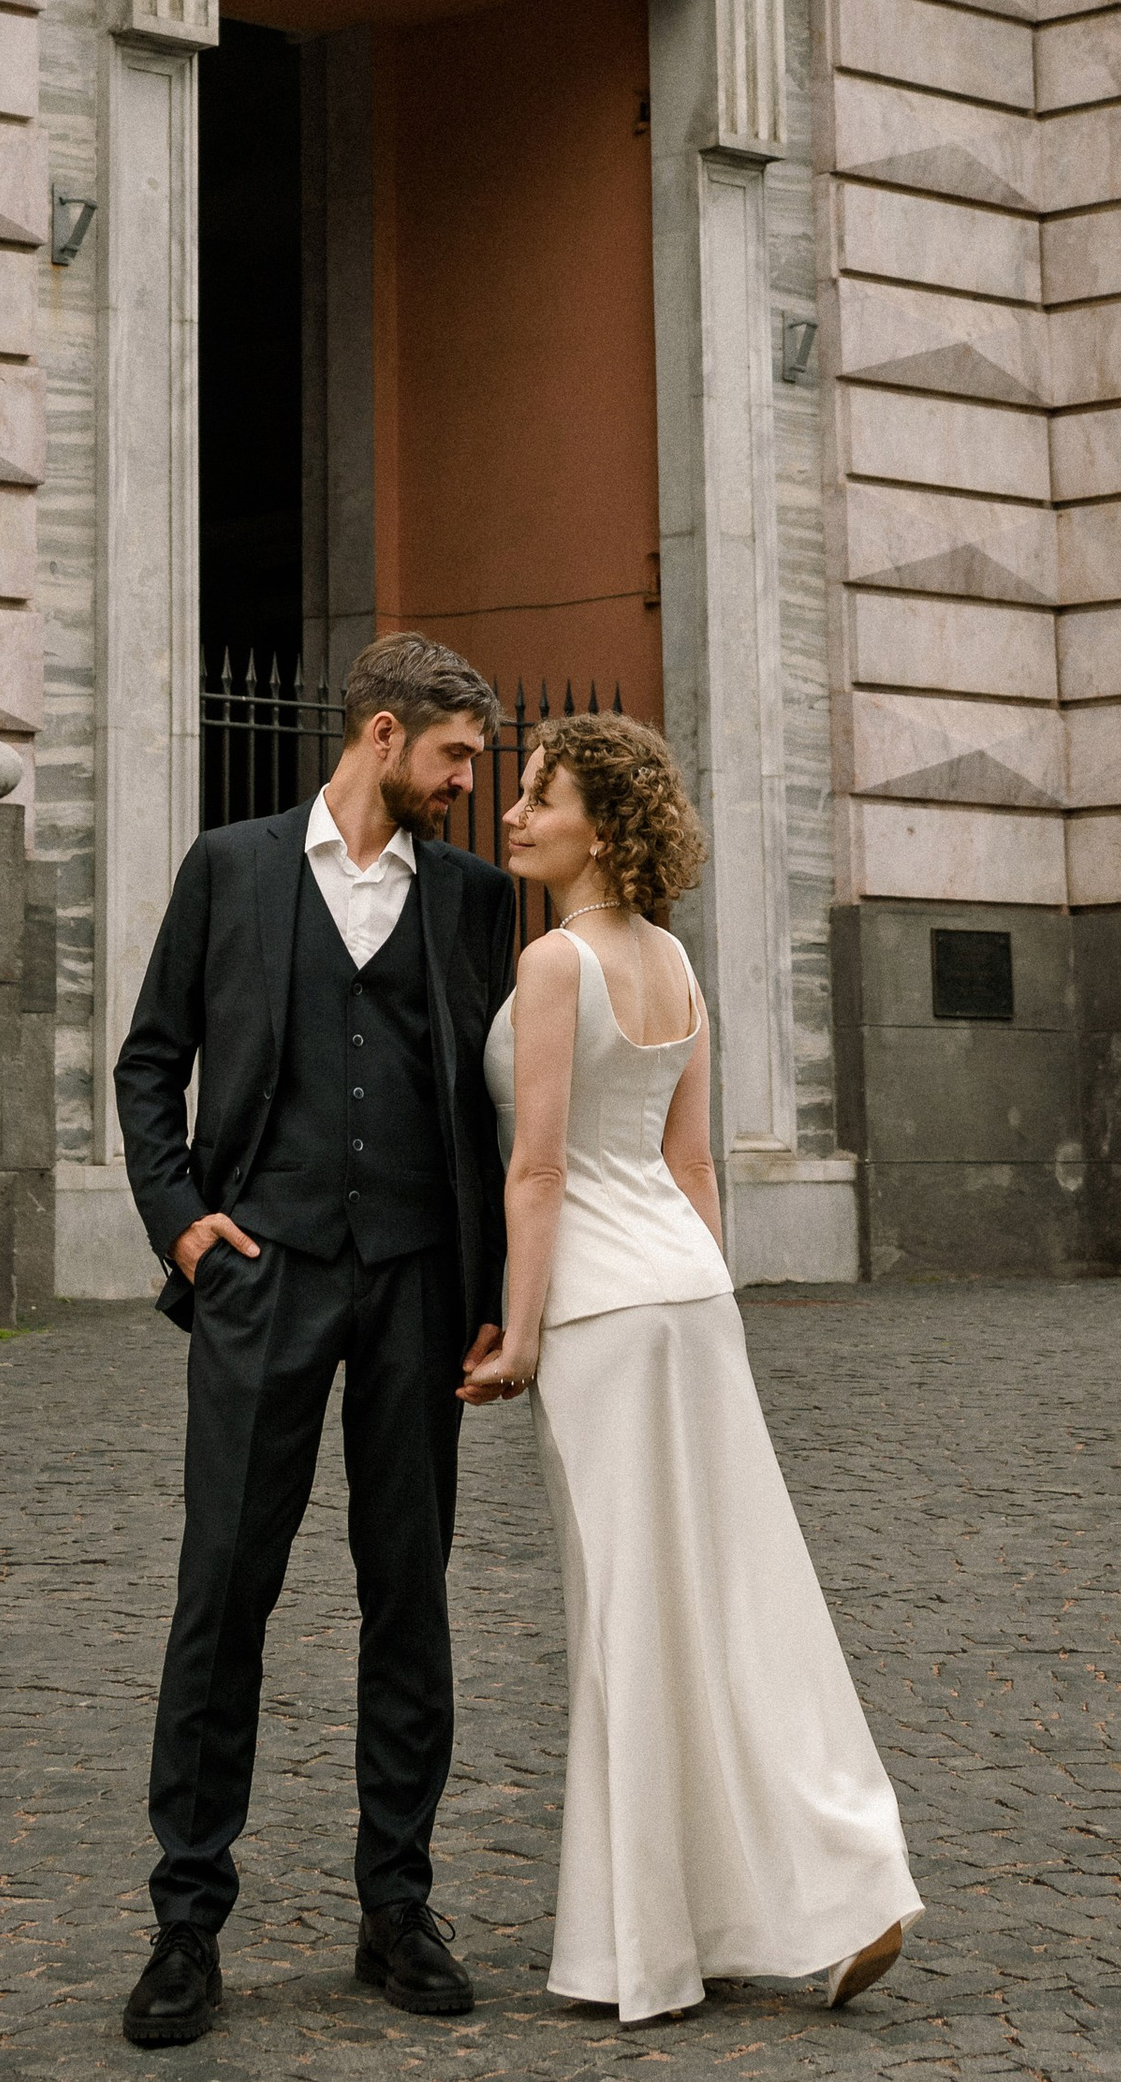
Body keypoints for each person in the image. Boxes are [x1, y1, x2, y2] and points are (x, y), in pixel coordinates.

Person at [468, 715, 922, 2024]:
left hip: (606, 1319)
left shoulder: (557, 963)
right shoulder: (674, 961)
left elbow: (540, 1170)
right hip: (689, 1294)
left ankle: (646, 1950)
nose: (514, 815)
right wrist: (711, 1301)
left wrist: (522, 1336)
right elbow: (694, 1166)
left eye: (538, 798)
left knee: (630, 1621)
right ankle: (837, 1883)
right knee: (734, 1609)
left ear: (597, 827)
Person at [113, 634, 520, 2049]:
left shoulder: (474, 901)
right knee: (224, 1588)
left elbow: (495, 1109)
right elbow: (149, 1059)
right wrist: (181, 1224)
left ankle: (395, 1904)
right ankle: (186, 1922)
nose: (474, 783)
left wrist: (500, 1287)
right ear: (386, 732)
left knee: (409, 1588)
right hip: (264, 1273)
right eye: (457, 756)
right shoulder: (230, 868)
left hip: (419, 1279)